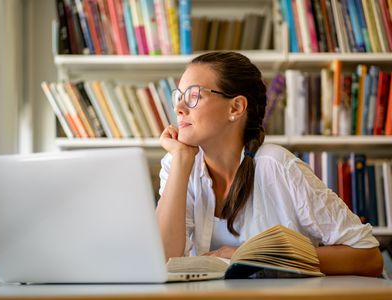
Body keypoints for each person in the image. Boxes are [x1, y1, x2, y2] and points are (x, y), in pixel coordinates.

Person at [156, 51, 383, 277]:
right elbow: (161, 260)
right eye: (179, 96)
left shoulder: (276, 165)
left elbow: (368, 257)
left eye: (194, 95)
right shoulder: (177, 164)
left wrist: (246, 257)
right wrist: (181, 161)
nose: (179, 108)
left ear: (235, 108)